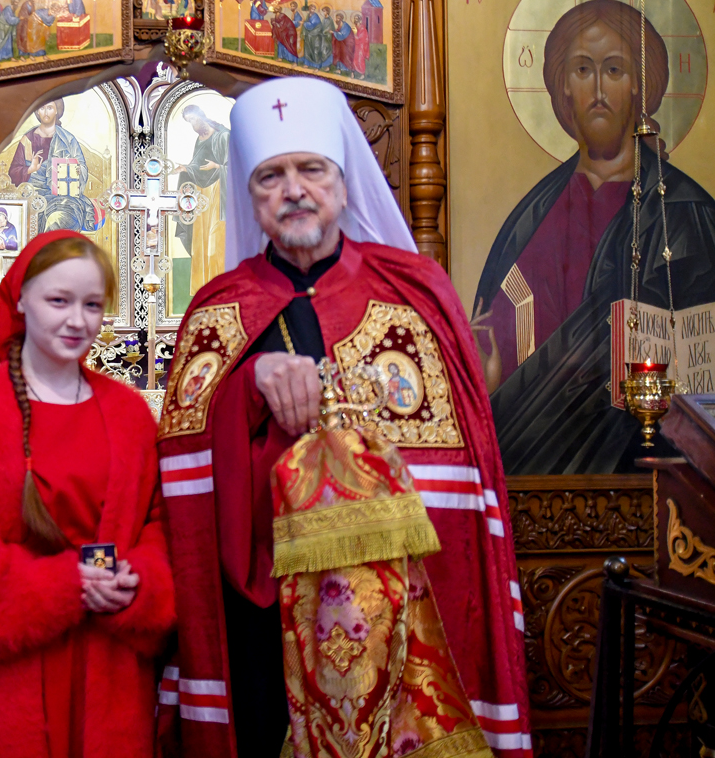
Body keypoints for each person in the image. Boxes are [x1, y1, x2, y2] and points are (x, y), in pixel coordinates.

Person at [157, 77, 529, 757]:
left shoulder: (415, 293)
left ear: (343, 181)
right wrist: (248, 386)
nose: (294, 190)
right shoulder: (217, 312)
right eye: (271, 176)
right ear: (250, 193)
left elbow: (463, 475)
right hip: (266, 620)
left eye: (311, 170)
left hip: (406, 613)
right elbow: (189, 491)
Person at [0, 231, 175, 757]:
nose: (77, 321)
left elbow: (161, 526)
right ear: (20, 299)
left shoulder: (130, 414)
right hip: (4, 675)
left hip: (106, 667)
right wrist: (57, 588)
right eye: (59, 301)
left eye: (92, 305)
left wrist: (137, 583)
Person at [474, 0, 715, 474]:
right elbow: (491, 354)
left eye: (615, 70)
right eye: (583, 69)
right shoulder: (531, 218)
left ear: (641, 85)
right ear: (563, 85)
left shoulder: (688, 213)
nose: (599, 89)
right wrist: (487, 379)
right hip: (530, 473)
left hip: (648, 471)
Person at [8, 99, 99, 232]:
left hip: (63, 198)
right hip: (32, 195)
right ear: (37, 112)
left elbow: (82, 167)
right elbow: (13, 173)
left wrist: (76, 170)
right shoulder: (28, 139)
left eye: (50, 108)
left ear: (57, 110)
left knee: (59, 219)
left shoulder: (68, 140)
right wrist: (30, 169)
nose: (45, 112)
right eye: (42, 108)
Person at [174, 105, 230, 294]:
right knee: (200, 241)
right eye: (188, 121)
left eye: (192, 119)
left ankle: (221, 289)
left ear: (201, 116)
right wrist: (186, 169)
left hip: (219, 194)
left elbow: (235, 168)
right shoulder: (200, 139)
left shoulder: (223, 136)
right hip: (202, 193)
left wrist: (217, 166)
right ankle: (203, 289)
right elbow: (197, 165)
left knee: (215, 241)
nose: (192, 124)